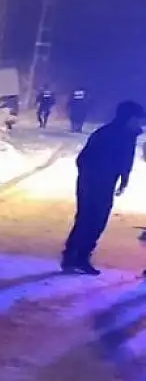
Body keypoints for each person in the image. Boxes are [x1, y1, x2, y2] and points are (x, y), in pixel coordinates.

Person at [61, 100, 145, 275]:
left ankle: (79, 257)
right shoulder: (107, 134)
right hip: (92, 183)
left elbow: (124, 161)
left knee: (97, 221)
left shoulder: (128, 136)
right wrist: (95, 177)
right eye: (137, 119)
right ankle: (73, 257)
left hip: (106, 184)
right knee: (88, 220)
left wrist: (123, 179)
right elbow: (82, 159)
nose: (140, 122)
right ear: (128, 118)